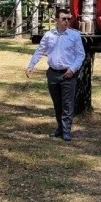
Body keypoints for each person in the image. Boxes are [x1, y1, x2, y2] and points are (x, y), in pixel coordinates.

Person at [26, 8, 86, 141]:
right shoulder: (49, 35)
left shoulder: (74, 35)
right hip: (52, 74)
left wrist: (72, 69)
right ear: (56, 20)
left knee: (67, 104)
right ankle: (60, 128)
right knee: (57, 103)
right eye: (63, 19)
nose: (66, 21)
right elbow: (40, 50)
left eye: (68, 19)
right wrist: (31, 65)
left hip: (68, 75)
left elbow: (80, 55)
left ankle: (66, 131)